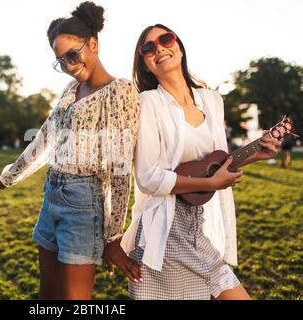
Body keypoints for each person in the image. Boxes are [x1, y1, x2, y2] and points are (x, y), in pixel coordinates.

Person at [0, 1, 141, 299]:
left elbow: (120, 168)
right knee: (47, 295)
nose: (68, 65)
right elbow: (45, 137)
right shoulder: (70, 90)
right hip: (52, 194)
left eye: (72, 54)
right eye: (60, 60)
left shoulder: (120, 91)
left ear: (93, 44)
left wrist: (114, 236)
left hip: (84, 205)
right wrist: (8, 177)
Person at [119, 24, 281, 300]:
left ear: (179, 48)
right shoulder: (148, 103)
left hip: (198, 228)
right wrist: (209, 182)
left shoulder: (212, 100)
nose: (158, 47)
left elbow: (214, 164)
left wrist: (255, 154)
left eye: (165, 39)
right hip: (165, 234)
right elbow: (147, 177)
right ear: (145, 64)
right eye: (148, 47)